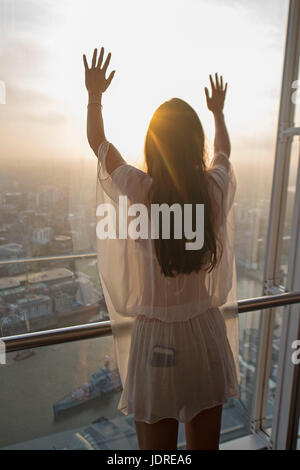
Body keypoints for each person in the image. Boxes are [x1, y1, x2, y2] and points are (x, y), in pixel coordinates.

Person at [83, 47, 240, 450]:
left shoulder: (141, 191)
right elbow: (223, 153)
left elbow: (99, 143)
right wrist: (218, 113)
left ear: (154, 144)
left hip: (156, 345)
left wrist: (94, 95)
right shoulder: (213, 192)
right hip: (205, 335)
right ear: (195, 144)